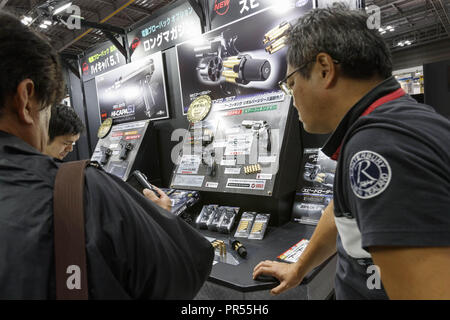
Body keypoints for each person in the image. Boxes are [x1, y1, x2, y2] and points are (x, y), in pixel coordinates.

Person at [0, 11, 213, 299]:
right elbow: (181, 273)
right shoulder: (79, 191)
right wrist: (158, 225)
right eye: (47, 109)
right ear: (26, 100)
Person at [253, 5, 450, 299]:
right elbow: (342, 211)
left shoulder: (377, 147)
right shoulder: (400, 121)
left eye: (292, 83)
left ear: (324, 69)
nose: (292, 99)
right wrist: (299, 268)